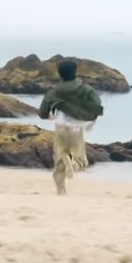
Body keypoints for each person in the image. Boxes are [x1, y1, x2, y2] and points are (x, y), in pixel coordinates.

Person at [38, 59, 103, 195]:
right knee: (81, 161)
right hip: (76, 129)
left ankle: (60, 191)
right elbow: (97, 107)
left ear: (60, 74)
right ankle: (72, 164)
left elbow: (42, 112)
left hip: (60, 127)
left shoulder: (53, 92)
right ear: (75, 72)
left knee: (59, 162)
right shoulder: (85, 89)